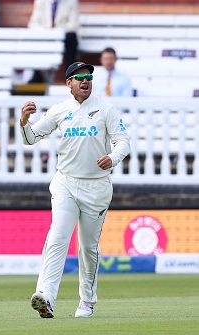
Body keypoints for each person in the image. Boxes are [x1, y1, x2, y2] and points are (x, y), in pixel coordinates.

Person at [19, 62, 130, 318]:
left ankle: (87, 301)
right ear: (69, 83)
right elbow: (30, 138)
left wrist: (112, 158)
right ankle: (45, 296)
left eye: (89, 77)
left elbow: (123, 141)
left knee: (88, 247)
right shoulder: (60, 110)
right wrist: (24, 121)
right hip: (66, 183)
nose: (85, 81)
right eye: (79, 77)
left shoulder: (105, 109)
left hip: (97, 186)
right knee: (57, 237)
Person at [28, 0, 79, 69]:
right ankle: (37, 73)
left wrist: (56, 31)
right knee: (35, 39)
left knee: (71, 37)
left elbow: (73, 25)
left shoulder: (71, 1)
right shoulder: (40, 1)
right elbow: (33, 24)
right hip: (45, 37)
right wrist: (47, 31)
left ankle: (70, 72)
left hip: (63, 37)